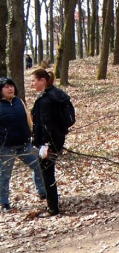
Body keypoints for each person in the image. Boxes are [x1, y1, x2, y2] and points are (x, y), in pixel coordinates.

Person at [0, 78, 46, 213]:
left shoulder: (18, 101)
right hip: (6, 147)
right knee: (4, 175)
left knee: (38, 166)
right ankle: (4, 203)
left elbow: (28, 120)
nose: (10, 89)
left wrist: (34, 135)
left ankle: (42, 192)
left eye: (11, 86)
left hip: (24, 144)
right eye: (6, 87)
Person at [30, 69, 70, 217]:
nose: (31, 84)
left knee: (47, 174)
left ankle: (52, 208)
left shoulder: (45, 100)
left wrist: (45, 144)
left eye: (33, 81)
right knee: (48, 172)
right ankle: (52, 205)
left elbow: (46, 124)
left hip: (49, 142)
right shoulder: (58, 94)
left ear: (42, 81)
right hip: (58, 139)